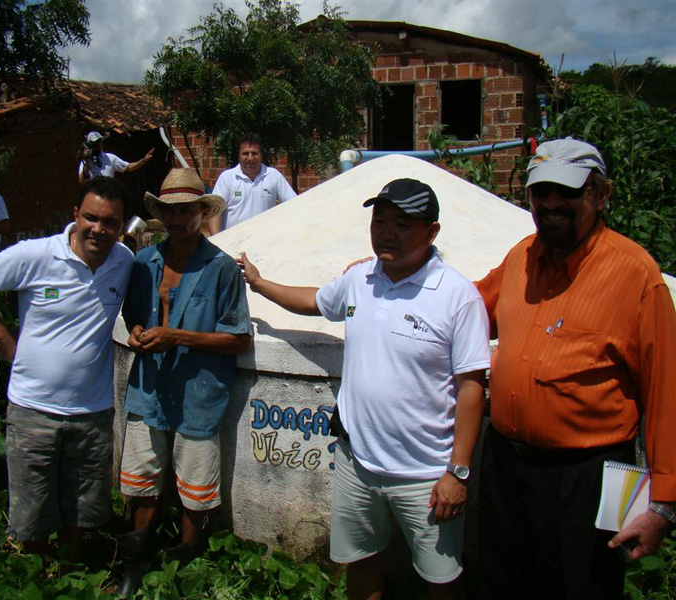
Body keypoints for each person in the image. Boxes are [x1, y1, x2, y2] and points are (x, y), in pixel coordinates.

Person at [238, 178, 491, 600]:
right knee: (360, 564)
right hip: (359, 465)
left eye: (402, 224)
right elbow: (315, 300)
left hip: (425, 475)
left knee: (442, 580)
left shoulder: (456, 296)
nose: (387, 232)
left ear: (432, 232)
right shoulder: (361, 279)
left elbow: (471, 387)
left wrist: (457, 472)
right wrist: (262, 285)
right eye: (380, 220)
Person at [474, 137, 676, 600]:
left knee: (580, 586)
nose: (551, 204)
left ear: (600, 195)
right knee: (500, 583)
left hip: (588, 475)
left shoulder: (636, 275)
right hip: (506, 465)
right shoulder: (522, 255)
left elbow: (667, 396)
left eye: (567, 192)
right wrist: (401, 281)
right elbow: (466, 312)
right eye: (539, 193)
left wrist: (662, 505)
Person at [0, 176, 134, 564]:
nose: (98, 229)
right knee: (31, 512)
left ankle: (69, 571)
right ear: (75, 214)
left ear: (122, 227)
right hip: (33, 408)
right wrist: (3, 337)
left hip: (93, 410)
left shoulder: (124, 262)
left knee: (83, 507)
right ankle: (33, 575)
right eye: (91, 218)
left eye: (110, 223)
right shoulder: (35, 255)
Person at [116, 168, 252, 598]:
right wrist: (139, 332)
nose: (178, 220)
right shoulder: (143, 262)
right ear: (160, 214)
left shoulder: (221, 268)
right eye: (170, 212)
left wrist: (178, 337)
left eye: (187, 211)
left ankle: (186, 567)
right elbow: (131, 316)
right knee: (143, 480)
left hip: (198, 393)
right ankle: (134, 567)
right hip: (149, 388)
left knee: (196, 484)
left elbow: (238, 338)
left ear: (201, 213)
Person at [208, 133, 296, 235]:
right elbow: (215, 211)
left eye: (254, 153)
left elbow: (294, 204)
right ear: (239, 155)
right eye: (245, 153)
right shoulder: (227, 178)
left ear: (261, 155)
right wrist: (217, 243)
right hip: (232, 245)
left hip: (263, 242)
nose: (250, 158)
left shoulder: (273, 176)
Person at [78, 131, 155, 184]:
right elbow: (82, 181)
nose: (99, 145)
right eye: (96, 143)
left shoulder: (110, 158)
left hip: (107, 197)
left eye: (100, 142)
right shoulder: (85, 162)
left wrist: (143, 160)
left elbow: (129, 167)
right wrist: (87, 161)